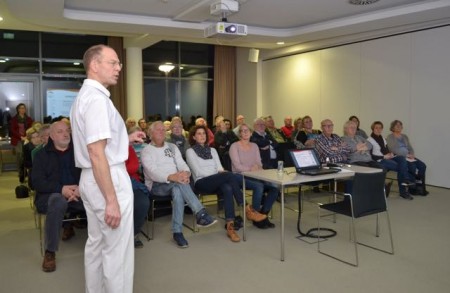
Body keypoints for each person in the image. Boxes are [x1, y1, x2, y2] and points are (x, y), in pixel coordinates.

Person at [70, 44, 145, 293]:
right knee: (117, 253)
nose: (119, 68)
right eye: (113, 62)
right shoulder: (96, 100)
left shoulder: (85, 96)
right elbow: (95, 151)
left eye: (119, 63)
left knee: (97, 245)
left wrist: (125, 140)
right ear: (94, 65)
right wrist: (111, 198)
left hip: (91, 178)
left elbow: (98, 143)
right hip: (107, 178)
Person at [141, 121, 217, 248]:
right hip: (157, 185)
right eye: (158, 130)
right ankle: (200, 214)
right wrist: (172, 177)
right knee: (178, 185)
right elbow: (152, 172)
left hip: (176, 182)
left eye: (163, 130)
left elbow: (181, 164)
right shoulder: (146, 151)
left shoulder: (172, 147)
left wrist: (186, 173)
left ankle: (178, 232)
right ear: (150, 133)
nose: (161, 132)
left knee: (177, 188)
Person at [186, 125, 257, 242]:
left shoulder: (212, 150)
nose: (202, 136)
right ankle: (245, 207)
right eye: (199, 134)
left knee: (228, 187)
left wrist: (220, 174)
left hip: (217, 181)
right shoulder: (190, 151)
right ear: (193, 137)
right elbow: (198, 171)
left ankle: (230, 226)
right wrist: (219, 174)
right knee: (229, 175)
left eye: (204, 133)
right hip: (202, 182)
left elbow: (219, 167)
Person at [32, 121, 85, 272]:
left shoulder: (79, 151)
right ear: (52, 136)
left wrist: (82, 188)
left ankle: (105, 244)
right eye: (60, 131)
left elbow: (89, 172)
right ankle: (50, 252)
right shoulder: (41, 155)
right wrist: (61, 189)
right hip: (50, 196)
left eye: (67, 130)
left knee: (98, 199)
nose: (66, 134)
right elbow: (37, 182)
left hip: (78, 193)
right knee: (58, 201)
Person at [229, 123, 278, 229]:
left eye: (247, 130)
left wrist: (256, 168)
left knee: (275, 187)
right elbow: (237, 166)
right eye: (242, 131)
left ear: (251, 133)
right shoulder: (234, 146)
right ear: (239, 134)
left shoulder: (255, 146)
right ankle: (255, 216)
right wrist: (251, 169)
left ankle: (263, 216)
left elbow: (259, 163)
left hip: (254, 175)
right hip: (238, 176)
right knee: (259, 186)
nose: (245, 132)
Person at [367, 121, 415, 200]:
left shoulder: (382, 138)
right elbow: (371, 156)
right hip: (380, 160)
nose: (378, 129)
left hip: (388, 156)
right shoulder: (370, 140)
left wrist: (390, 154)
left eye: (380, 128)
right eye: (376, 128)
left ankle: (406, 180)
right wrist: (384, 156)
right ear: (373, 129)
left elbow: (386, 149)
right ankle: (404, 188)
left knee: (402, 159)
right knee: (401, 167)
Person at [386, 120, 428, 196]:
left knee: (422, 166)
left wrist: (412, 154)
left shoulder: (405, 136)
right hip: (399, 157)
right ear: (392, 127)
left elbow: (410, 147)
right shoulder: (390, 137)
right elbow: (393, 149)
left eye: (400, 125)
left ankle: (418, 184)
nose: (399, 127)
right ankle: (412, 188)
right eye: (396, 125)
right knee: (413, 167)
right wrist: (406, 155)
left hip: (409, 156)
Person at [125, 144, 150, 248]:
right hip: (110, 184)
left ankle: (134, 233)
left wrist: (117, 168)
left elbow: (133, 167)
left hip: (132, 182)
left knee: (142, 203)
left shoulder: (127, 147)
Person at [9, 103, 33, 183]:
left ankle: (25, 172)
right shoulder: (14, 119)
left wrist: (27, 136)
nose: (23, 109)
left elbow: (31, 128)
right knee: (19, 156)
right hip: (17, 140)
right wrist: (20, 137)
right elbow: (12, 130)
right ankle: (21, 172)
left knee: (26, 155)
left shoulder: (28, 119)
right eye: (21, 108)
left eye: (24, 108)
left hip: (26, 139)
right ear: (18, 109)